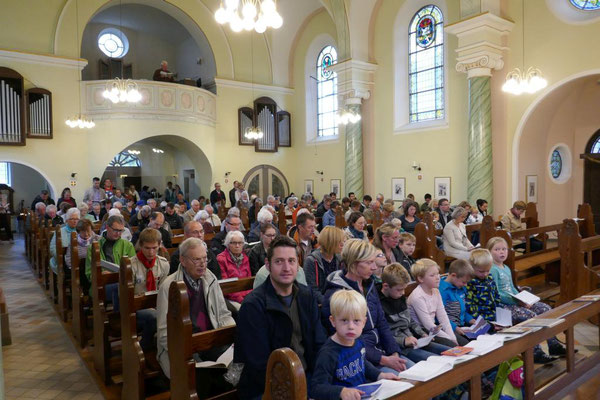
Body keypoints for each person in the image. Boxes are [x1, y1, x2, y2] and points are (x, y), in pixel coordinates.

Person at [235, 236, 327, 400]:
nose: (287, 268)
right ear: (268, 265)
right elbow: (257, 365)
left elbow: (319, 342)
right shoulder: (253, 306)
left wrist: (321, 380)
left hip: (307, 378)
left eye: (291, 261)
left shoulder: (307, 296)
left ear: (298, 264)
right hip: (268, 387)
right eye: (279, 261)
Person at [157, 237, 235, 397]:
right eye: (197, 260)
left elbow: (223, 313)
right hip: (183, 346)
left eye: (205, 259)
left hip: (211, 340)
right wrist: (185, 351)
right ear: (183, 260)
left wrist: (230, 337)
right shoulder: (169, 287)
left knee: (237, 369)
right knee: (200, 379)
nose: (203, 264)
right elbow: (165, 333)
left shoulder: (210, 278)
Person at [323, 239, 411, 373]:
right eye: (369, 262)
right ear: (354, 263)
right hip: (359, 359)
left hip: (381, 349)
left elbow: (381, 322)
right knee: (404, 382)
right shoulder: (337, 294)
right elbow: (347, 339)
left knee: (418, 373)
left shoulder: (369, 285)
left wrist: (394, 352)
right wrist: (383, 359)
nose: (375, 267)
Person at [310, 290, 401, 399]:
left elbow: (362, 363)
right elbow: (316, 388)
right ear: (333, 321)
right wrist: (341, 392)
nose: (351, 327)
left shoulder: (359, 340)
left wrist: (379, 375)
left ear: (364, 322)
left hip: (362, 393)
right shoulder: (328, 353)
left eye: (356, 320)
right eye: (344, 320)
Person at [487, 237, 566, 359]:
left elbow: (512, 288)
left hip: (515, 302)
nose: (501, 252)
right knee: (530, 316)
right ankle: (535, 352)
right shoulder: (492, 269)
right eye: (497, 249)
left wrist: (524, 299)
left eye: (504, 249)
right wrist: (518, 301)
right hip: (503, 306)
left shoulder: (506, 268)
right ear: (489, 252)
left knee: (546, 309)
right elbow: (496, 293)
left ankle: (554, 345)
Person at [378, 263, 450, 363]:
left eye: (404, 289)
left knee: (450, 352)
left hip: (414, 340)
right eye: (399, 289)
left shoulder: (399, 297)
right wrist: (403, 341)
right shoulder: (378, 304)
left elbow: (410, 320)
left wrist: (422, 334)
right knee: (436, 361)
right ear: (386, 286)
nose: (403, 293)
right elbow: (383, 333)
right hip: (401, 347)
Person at [128, 228, 170, 351]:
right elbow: (126, 296)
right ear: (141, 245)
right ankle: (143, 348)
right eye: (147, 248)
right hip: (136, 308)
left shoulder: (163, 264)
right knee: (155, 317)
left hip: (157, 304)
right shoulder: (131, 266)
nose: (151, 252)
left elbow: (163, 289)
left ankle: (164, 348)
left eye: (154, 248)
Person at [407, 258, 458, 346]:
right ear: (420, 278)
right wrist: (449, 339)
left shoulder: (436, 291)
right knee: (452, 346)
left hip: (434, 329)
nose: (438, 277)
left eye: (438, 274)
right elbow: (428, 325)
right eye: (432, 275)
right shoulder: (417, 297)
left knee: (463, 342)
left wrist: (452, 337)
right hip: (422, 332)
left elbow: (443, 317)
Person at [85, 215, 136, 295]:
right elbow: (89, 274)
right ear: (107, 227)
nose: (118, 233)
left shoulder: (128, 245)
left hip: (123, 281)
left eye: (121, 231)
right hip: (101, 284)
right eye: (115, 230)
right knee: (121, 290)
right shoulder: (94, 247)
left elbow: (134, 268)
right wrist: (101, 274)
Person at [438, 259, 476, 346]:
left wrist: (470, 319)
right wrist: (455, 328)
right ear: (453, 275)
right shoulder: (442, 291)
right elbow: (439, 316)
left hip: (462, 326)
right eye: (464, 282)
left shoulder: (460, 288)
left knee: (483, 338)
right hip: (449, 328)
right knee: (467, 345)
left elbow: (463, 309)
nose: (465, 285)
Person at [304, 226, 345, 305]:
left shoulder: (339, 259)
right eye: (340, 242)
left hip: (337, 302)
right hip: (319, 305)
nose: (342, 244)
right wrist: (328, 304)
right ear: (330, 242)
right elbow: (312, 289)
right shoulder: (312, 261)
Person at [217, 231, 252, 308]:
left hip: (246, 295)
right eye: (234, 243)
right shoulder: (221, 259)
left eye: (240, 243)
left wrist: (249, 296)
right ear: (228, 244)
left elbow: (249, 281)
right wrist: (241, 299)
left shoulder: (245, 258)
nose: (237, 246)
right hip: (230, 296)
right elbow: (226, 286)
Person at [49, 208, 80, 273]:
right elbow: (52, 248)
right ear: (67, 220)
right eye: (72, 219)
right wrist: (62, 259)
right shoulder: (60, 231)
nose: (75, 221)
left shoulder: (81, 231)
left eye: (77, 219)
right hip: (62, 262)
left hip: (79, 261)